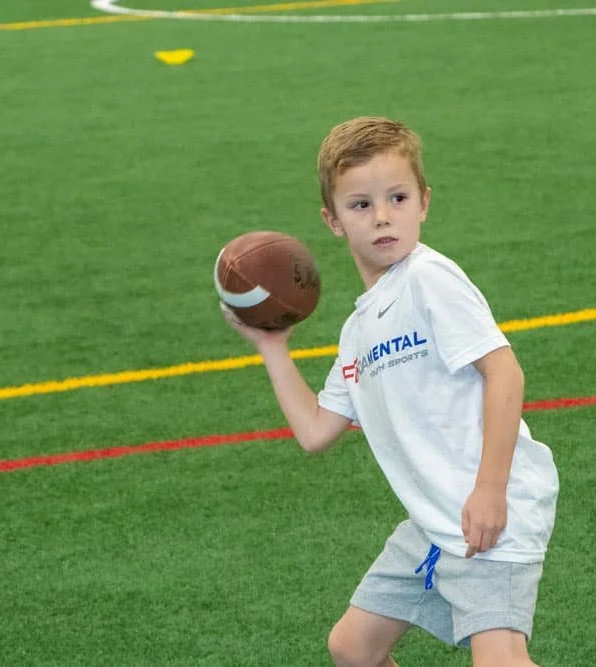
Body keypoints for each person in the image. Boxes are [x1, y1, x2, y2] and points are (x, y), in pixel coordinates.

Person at [220, 116, 559, 667]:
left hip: (489, 514)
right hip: (431, 524)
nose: (382, 216)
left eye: (397, 198)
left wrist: (491, 490)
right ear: (332, 221)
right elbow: (314, 433)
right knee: (352, 648)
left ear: (423, 202)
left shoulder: (430, 279)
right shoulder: (357, 333)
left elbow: (505, 373)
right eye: (360, 205)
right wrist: (272, 345)